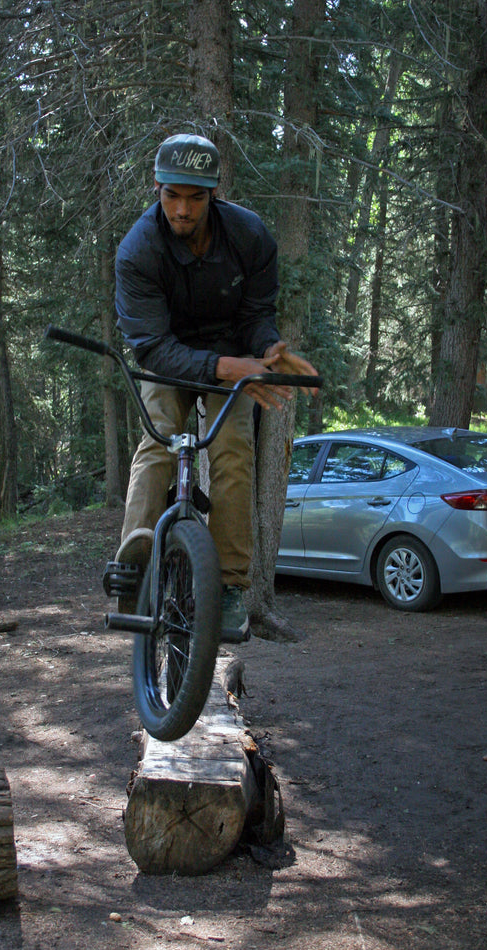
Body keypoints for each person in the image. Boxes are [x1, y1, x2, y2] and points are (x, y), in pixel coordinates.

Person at [114, 132, 317, 640]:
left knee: (232, 452)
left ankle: (228, 587)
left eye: (195, 197)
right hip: (169, 356)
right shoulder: (138, 251)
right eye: (172, 196)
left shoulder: (249, 236)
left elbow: (256, 315)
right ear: (157, 188)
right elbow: (153, 349)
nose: (182, 209)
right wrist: (232, 367)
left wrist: (268, 349)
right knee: (159, 439)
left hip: (230, 352)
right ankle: (134, 564)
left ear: (214, 193)